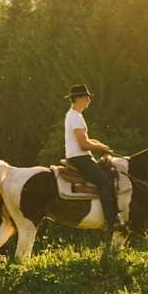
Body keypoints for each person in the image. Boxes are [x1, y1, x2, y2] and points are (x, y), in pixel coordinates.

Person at [63, 84, 122, 233]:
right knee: (104, 183)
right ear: (77, 99)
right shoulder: (75, 117)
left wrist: (101, 145)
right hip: (80, 158)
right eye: (86, 97)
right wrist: (101, 148)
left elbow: (87, 139)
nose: (89, 100)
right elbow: (83, 144)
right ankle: (112, 220)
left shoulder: (75, 115)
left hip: (79, 156)